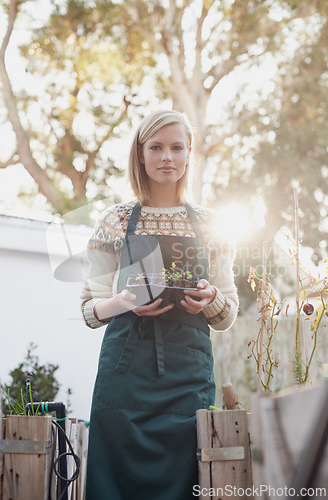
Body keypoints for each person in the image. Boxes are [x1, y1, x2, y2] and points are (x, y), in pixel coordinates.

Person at [81, 110, 238, 500]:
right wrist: (123, 303)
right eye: (156, 147)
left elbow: (227, 313)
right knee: (113, 480)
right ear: (140, 154)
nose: (167, 156)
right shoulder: (115, 221)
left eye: (177, 147)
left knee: (184, 481)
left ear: (188, 155)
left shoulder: (211, 224)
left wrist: (210, 300)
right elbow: (90, 307)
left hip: (187, 375)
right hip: (124, 372)